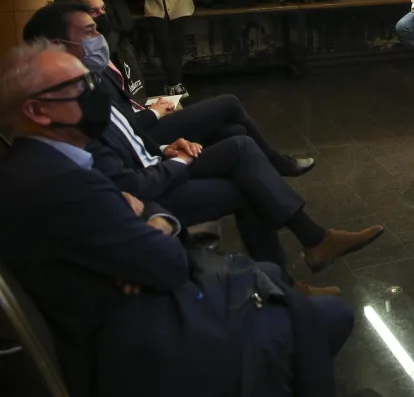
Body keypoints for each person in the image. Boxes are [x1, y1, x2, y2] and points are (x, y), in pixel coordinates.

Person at [0, 41, 354, 397]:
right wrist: (154, 228)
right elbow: (168, 262)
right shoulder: (64, 182)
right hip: (139, 340)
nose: (94, 94)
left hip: (132, 306)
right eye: (78, 87)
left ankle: (300, 266)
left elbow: (135, 210)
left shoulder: (39, 164)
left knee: (272, 275)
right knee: (331, 314)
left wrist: (152, 223)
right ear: (37, 110)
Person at [21, 2, 383, 285]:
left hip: (154, 161)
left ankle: (303, 256)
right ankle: (305, 254)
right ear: (56, 45)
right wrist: (174, 160)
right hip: (151, 188)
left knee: (236, 138)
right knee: (245, 164)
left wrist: (166, 147)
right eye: (89, 30)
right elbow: (125, 180)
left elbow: (129, 139)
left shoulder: (88, 84)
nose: (99, 34)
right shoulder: (70, 108)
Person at [51, 0, 314, 177]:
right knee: (228, 104)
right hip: (144, 132)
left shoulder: (99, 54)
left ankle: (265, 176)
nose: (101, 18)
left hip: (143, 119)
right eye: (92, 13)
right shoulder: (76, 73)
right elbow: (120, 127)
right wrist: (155, 112)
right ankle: (277, 163)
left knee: (235, 132)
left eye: (102, 10)